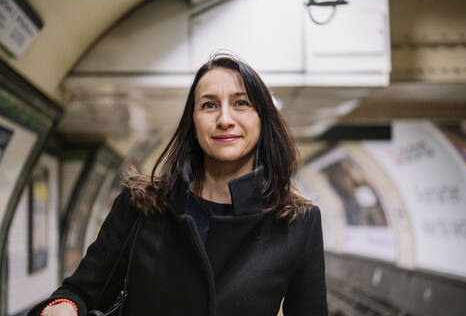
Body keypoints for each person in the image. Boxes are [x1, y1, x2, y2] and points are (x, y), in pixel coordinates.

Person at [29, 54, 327, 316]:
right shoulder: (141, 205)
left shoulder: (297, 223)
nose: (225, 119)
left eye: (241, 103)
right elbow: (80, 292)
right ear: (193, 123)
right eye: (209, 105)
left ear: (262, 120)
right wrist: (63, 308)